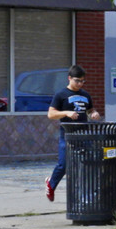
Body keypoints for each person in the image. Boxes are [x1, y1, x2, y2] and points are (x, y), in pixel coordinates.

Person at [45, 66, 99, 202]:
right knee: (63, 165)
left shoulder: (85, 95)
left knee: (90, 162)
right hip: (67, 136)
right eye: (77, 81)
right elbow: (51, 114)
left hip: (84, 135)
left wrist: (94, 113)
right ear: (69, 78)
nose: (80, 84)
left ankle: (88, 194)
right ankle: (51, 184)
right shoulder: (61, 94)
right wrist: (66, 113)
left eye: (82, 81)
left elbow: (90, 110)